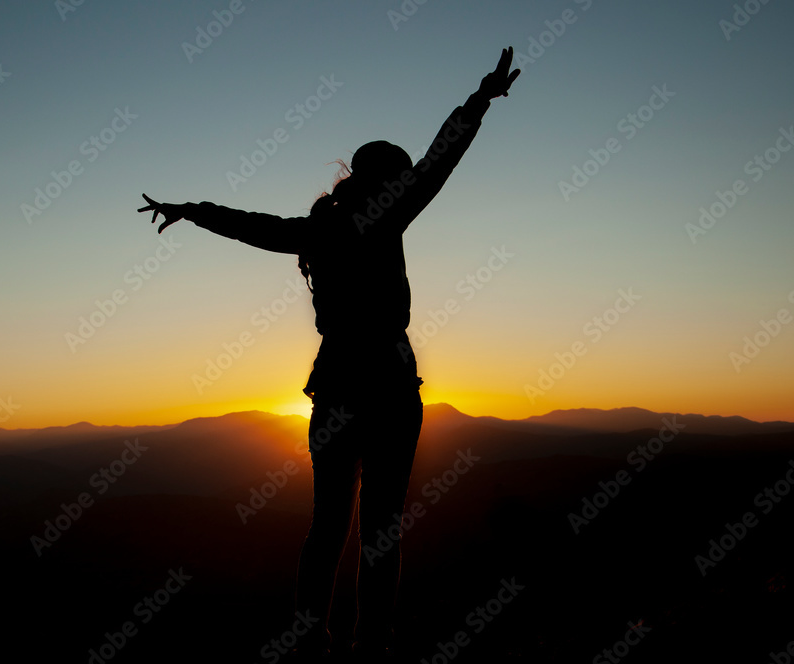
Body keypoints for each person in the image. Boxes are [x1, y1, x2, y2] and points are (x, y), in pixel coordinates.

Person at [138, 47, 521, 661]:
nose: (404, 181)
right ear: (384, 179)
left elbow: (251, 224)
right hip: (391, 389)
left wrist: (191, 211)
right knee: (381, 528)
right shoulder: (390, 214)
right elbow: (440, 159)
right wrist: (478, 101)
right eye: (397, 175)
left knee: (329, 525)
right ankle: (373, 640)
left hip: (339, 388)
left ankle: (310, 638)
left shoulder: (319, 231)